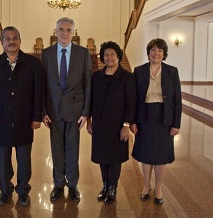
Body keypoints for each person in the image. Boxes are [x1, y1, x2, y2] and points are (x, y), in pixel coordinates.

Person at [0, 26, 43, 206]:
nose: (11, 41)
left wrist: (37, 117)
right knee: (3, 160)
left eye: (15, 37)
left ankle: (23, 191)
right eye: (7, 38)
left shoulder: (33, 63)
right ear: (2, 42)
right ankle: (5, 190)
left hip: (25, 119)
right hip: (0, 120)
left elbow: (38, 92)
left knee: (24, 160)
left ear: (20, 40)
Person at [41, 17, 92, 202]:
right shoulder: (46, 54)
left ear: (73, 32)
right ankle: (58, 184)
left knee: (72, 149)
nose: (64, 33)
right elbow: (42, 84)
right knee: (56, 149)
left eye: (68, 30)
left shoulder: (83, 53)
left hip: (75, 110)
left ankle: (72, 185)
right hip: (53, 110)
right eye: (61, 29)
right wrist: (43, 111)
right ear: (55, 32)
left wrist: (86, 112)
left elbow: (88, 84)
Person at [130, 38, 182, 206]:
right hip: (144, 116)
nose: (156, 53)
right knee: (146, 154)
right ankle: (146, 186)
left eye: (160, 50)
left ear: (164, 54)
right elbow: (134, 98)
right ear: (148, 53)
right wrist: (133, 121)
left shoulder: (172, 71)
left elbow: (177, 100)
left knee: (161, 156)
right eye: (153, 50)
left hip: (164, 117)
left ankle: (158, 188)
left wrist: (176, 123)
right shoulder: (139, 71)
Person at [86, 41, 136, 205]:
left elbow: (131, 103)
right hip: (100, 124)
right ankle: (105, 185)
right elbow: (92, 100)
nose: (109, 57)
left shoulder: (127, 77)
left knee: (114, 158)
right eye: (106, 55)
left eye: (112, 54)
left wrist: (126, 126)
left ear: (118, 57)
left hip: (117, 126)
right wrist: (89, 121)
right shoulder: (97, 76)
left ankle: (113, 187)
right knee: (102, 157)